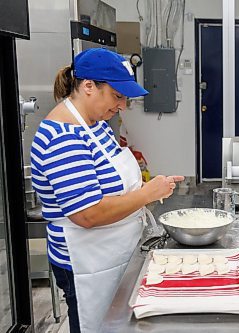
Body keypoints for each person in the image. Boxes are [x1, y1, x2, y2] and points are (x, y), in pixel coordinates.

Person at [30, 48, 184, 333]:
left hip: (113, 252)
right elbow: (87, 214)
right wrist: (147, 194)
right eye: (117, 96)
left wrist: (148, 187)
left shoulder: (95, 125)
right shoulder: (62, 138)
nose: (123, 105)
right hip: (87, 262)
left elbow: (109, 184)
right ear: (89, 86)